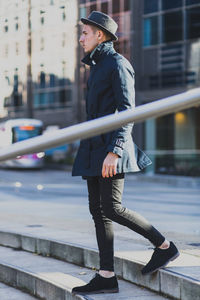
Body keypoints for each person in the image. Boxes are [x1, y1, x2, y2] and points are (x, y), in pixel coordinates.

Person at [72, 11, 179, 295]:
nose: (81, 37)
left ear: (101, 35)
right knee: (98, 212)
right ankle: (106, 275)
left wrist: (115, 151)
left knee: (112, 207)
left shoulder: (118, 63)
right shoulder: (97, 66)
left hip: (110, 149)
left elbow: (127, 110)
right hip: (94, 147)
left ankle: (165, 246)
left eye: (85, 33)